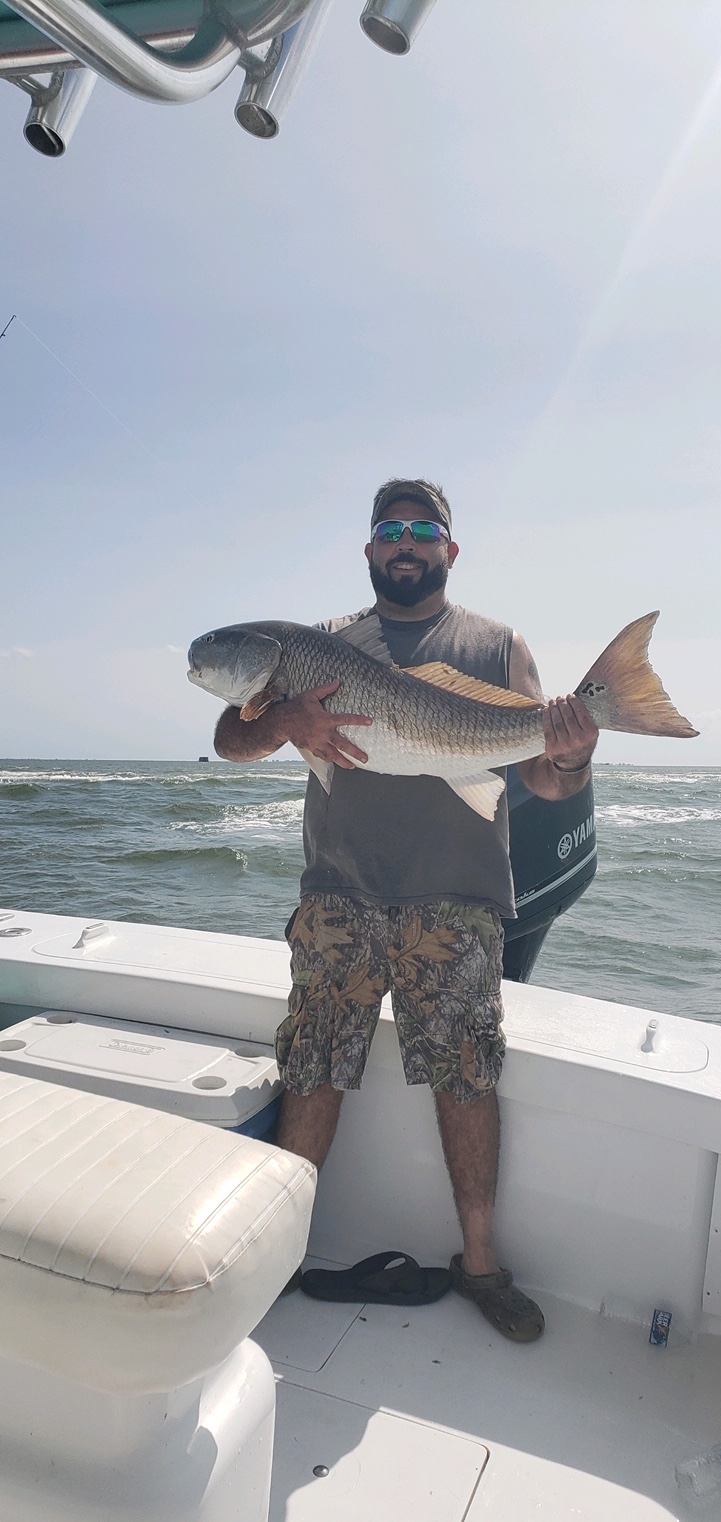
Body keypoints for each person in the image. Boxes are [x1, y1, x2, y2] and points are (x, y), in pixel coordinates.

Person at [214, 478, 598, 1342]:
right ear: (371, 548)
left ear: (449, 550)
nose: (407, 541)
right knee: (312, 1068)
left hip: (456, 903)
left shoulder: (496, 645)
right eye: (391, 528)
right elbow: (229, 742)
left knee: (467, 1079)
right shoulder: (316, 646)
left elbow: (537, 775)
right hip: (338, 895)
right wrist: (284, 721)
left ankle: (482, 1264)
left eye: (425, 529)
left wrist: (570, 758)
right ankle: (275, 1257)